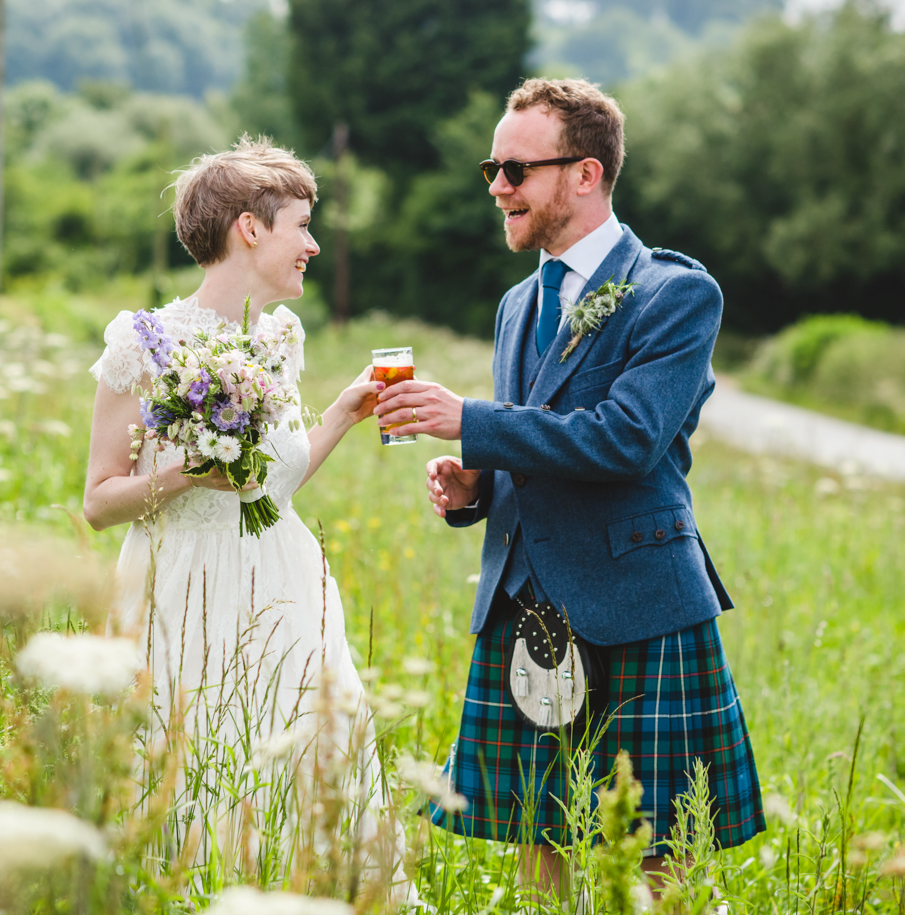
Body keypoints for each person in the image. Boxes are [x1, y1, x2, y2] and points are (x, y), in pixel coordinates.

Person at [373, 78, 765, 894]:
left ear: (584, 174)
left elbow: (627, 438)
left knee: (658, 860)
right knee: (537, 842)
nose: (496, 187)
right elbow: (536, 437)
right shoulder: (520, 303)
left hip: (637, 601)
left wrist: (470, 420)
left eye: (516, 170)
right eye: (492, 168)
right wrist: (475, 483)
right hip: (527, 607)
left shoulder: (675, 292)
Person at [82, 137, 403, 892]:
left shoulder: (279, 338)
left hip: (284, 582)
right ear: (250, 229)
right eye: (301, 224)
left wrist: (344, 413)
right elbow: (99, 500)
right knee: (186, 762)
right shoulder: (143, 341)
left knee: (309, 751)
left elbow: (272, 486)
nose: (314, 244)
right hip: (178, 587)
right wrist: (193, 471)